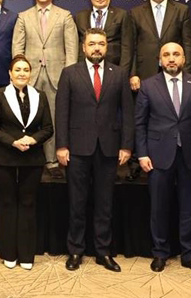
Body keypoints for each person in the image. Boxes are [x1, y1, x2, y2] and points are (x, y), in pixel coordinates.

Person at [56, 28, 134, 272]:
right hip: (77, 148)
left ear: (107, 47)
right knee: (76, 203)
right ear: (84, 47)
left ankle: (103, 252)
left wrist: (126, 145)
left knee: (104, 204)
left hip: (109, 148)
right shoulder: (70, 73)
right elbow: (62, 111)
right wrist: (61, 145)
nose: (97, 48)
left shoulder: (119, 74)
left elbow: (128, 112)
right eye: (92, 44)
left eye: (101, 43)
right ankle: (75, 251)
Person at [135, 42, 191, 274]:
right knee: (159, 207)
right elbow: (140, 123)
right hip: (158, 155)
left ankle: (189, 254)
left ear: (184, 59)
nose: (171, 59)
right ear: (160, 60)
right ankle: (160, 253)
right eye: (166, 55)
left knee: (190, 207)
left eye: (176, 54)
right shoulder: (148, 86)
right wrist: (142, 153)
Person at [0, 55, 53, 270]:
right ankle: (8, 253)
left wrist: (33, 139)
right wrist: (13, 142)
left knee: (28, 204)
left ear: (30, 73)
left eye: (25, 70)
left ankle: (26, 254)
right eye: (18, 70)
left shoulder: (40, 96)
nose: (22, 73)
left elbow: (48, 128)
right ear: (10, 73)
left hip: (32, 158)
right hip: (4, 157)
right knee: (7, 203)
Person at [127, 0, 191, 181]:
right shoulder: (135, 12)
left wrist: (187, 75)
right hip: (144, 74)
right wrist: (133, 73)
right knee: (142, 118)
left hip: (174, 73)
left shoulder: (181, 10)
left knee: (169, 118)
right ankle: (137, 161)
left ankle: (169, 158)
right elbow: (131, 46)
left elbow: (188, 43)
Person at [12, 0, 78, 179]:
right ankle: (27, 159)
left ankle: (52, 161)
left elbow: (72, 49)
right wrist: (19, 72)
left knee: (55, 119)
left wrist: (69, 76)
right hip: (29, 76)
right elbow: (17, 48)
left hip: (56, 76)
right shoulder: (23, 16)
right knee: (26, 118)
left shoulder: (65, 16)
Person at [74, 0, 133, 73]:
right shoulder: (79, 16)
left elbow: (127, 48)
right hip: (85, 70)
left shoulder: (122, 15)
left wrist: (123, 73)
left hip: (113, 68)